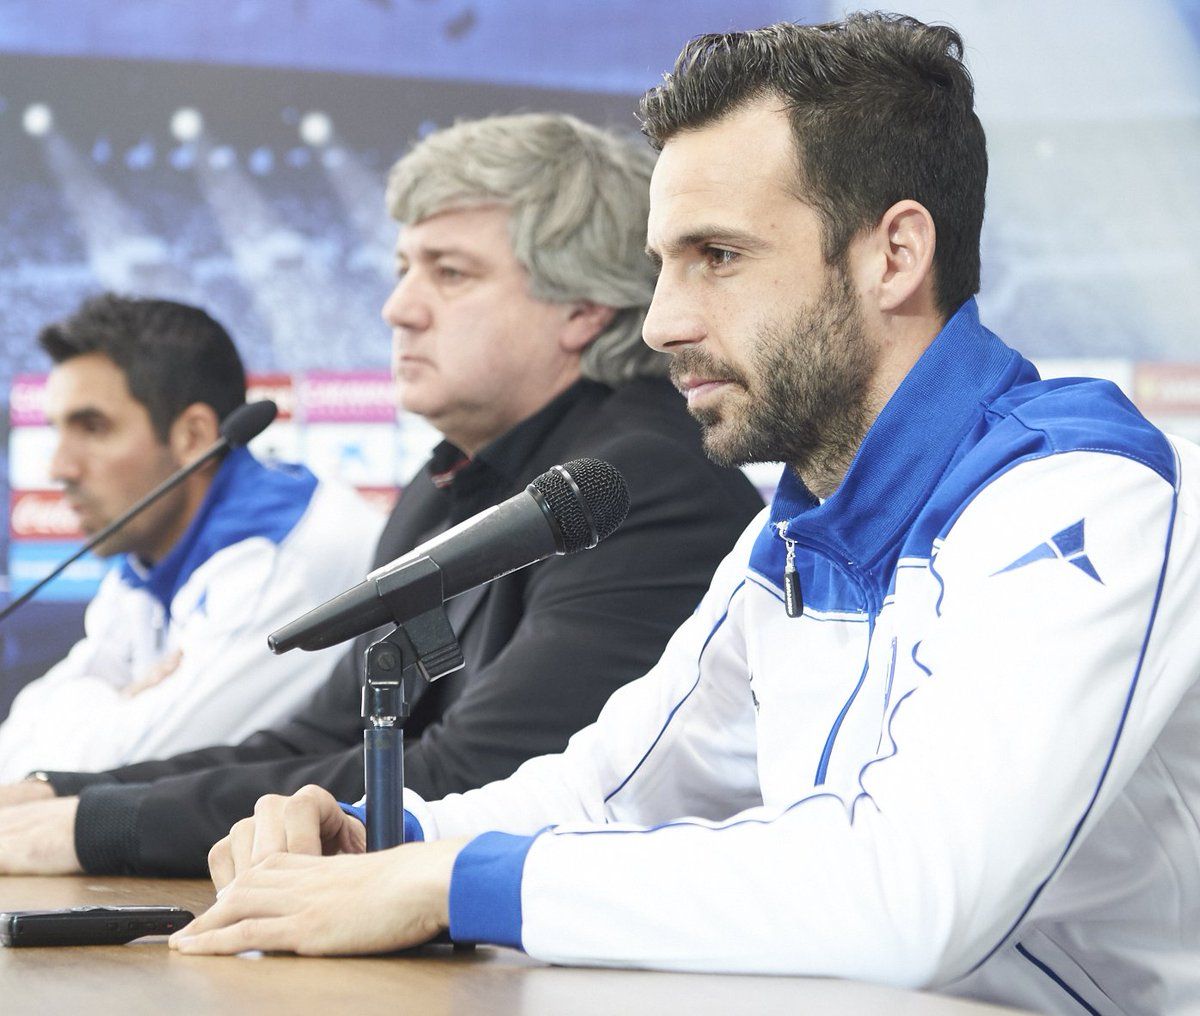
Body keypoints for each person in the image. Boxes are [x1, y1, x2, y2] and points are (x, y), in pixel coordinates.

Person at [170, 16, 1200, 1016]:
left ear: (894, 256)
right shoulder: (789, 531)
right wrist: (379, 835)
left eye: (718, 256)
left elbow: (914, 893)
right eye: (664, 262)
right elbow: (606, 791)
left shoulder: (1084, 492)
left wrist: (452, 883)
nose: (663, 320)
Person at [0, 115, 763, 878]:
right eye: (403, 268)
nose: (398, 307)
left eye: (449, 273)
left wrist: (94, 828)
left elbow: (470, 777)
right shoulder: (444, 486)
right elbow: (320, 739)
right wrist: (59, 795)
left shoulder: (637, 484)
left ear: (584, 308)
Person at [0, 295, 382, 781]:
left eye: (93, 428)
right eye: (58, 430)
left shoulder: (283, 559)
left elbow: (131, 775)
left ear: (193, 436)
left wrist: (98, 705)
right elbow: (12, 753)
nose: (59, 467)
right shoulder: (151, 552)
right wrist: (112, 705)